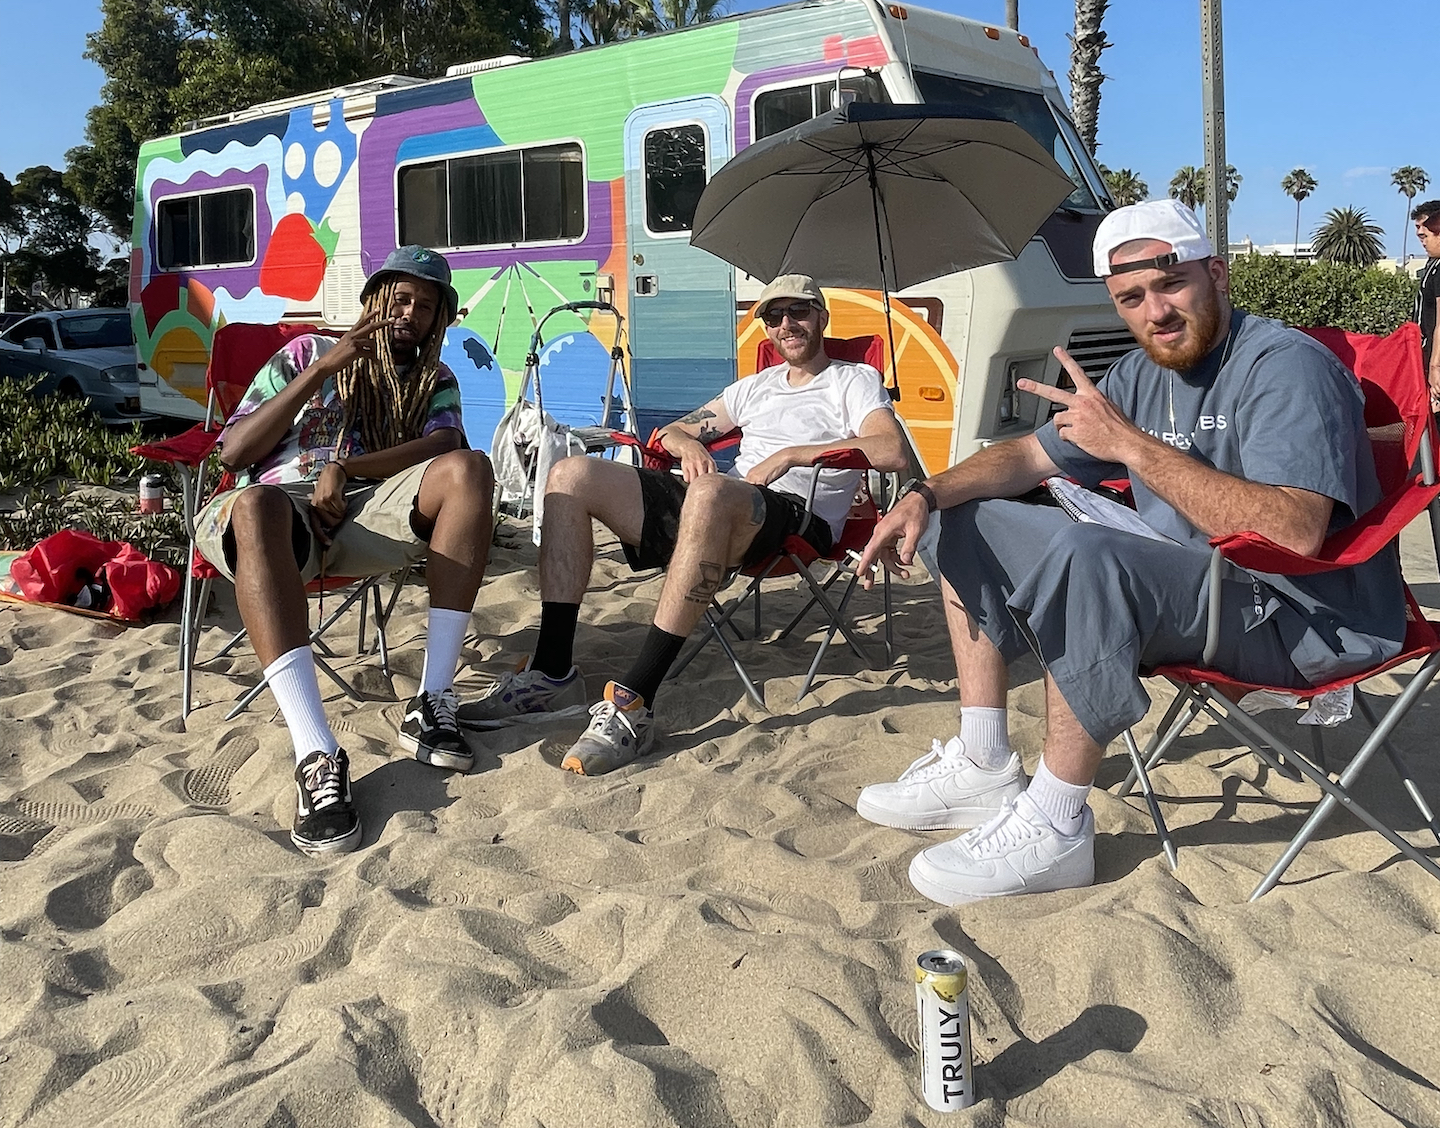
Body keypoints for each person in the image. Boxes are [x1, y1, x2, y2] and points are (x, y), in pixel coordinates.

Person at [853, 199, 1407, 902]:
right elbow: (1029, 453)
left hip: (1294, 610)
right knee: (961, 519)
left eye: (1172, 284)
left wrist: (1128, 445)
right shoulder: (1138, 375)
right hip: (1189, 583)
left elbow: (1294, 531)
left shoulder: (1285, 365)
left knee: (1092, 556)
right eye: (1132, 298)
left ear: (1216, 274)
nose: (1157, 311)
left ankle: (1057, 825)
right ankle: (985, 756)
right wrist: (924, 495)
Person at [461, 274, 910, 775]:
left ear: (822, 317)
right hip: (720, 500)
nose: (787, 324)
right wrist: (687, 444)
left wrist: (791, 455)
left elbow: (891, 451)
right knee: (570, 475)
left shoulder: (853, 380)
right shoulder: (752, 388)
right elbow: (674, 430)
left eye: (799, 312)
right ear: (764, 328)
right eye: (773, 316)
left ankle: (635, 701)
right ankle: (551, 672)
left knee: (711, 491)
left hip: (793, 520)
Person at [194, 246, 495, 856]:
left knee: (469, 468)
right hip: (276, 516)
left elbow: (441, 440)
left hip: (365, 511)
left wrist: (345, 467)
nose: (410, 314)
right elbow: (232, 454)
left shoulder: (433, 379)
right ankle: (316, 754)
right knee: (253, 508)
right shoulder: (303, 353)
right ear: (376, 300)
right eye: (401, 299)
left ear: (439, 321)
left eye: (426, 306)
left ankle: (432, 701)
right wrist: (321, 370)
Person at [1410, 198, 1440, 412]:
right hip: (1424, 351)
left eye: (1426, 234)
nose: (1422, 239)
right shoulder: (1432, 263)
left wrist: (1434, 365)